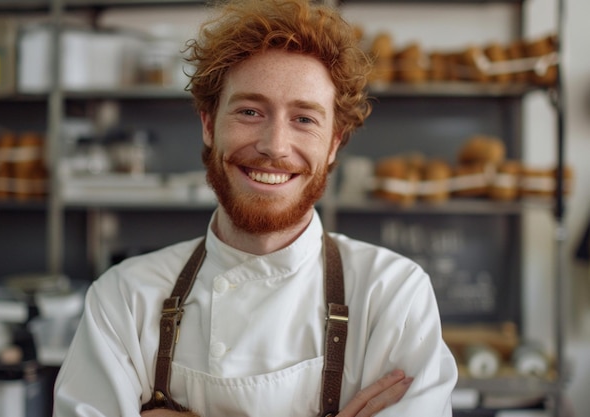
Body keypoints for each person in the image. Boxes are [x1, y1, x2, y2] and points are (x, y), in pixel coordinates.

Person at [53, 0, 458, 416]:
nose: (274, 146)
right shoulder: (125, 299)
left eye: (304, 119)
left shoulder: (392, 296)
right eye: (249, 111)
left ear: (334, 143)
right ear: (209, 125)